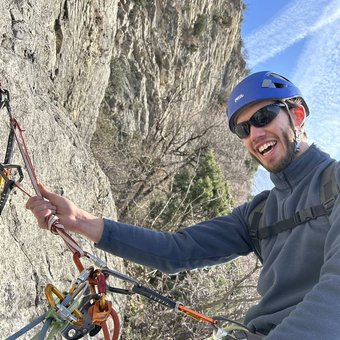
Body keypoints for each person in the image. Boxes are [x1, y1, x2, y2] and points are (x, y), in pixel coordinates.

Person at [26, 71, 340, 339]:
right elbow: (177, 250)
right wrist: (79, 220)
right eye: (243, 129)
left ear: (296, 115)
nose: (255, 133)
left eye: (263, 117)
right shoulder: (258, 214)